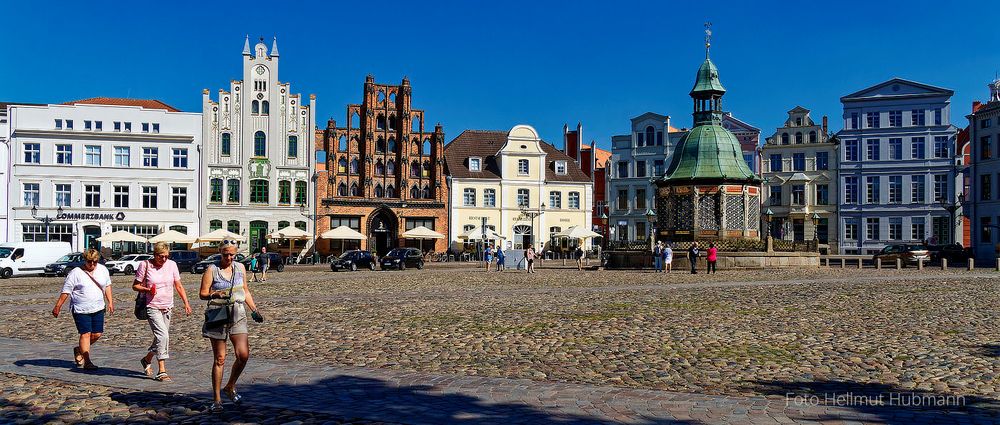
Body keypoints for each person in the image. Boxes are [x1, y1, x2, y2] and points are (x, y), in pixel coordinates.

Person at [200, 241, 264, 413]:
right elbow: (202, 293)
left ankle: (230, 385)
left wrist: (254, 310)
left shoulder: (240, 268)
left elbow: (245, 290)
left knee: (243, 355)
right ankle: (217, 399)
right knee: (220, 358)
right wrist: (215, 293)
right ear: (220, 252)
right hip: (218, 315)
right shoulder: (211, 270)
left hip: (238, 313)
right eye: (225, 254)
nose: (228, 257)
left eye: (231, 255)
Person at [134, 242, 192, 382]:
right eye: (161, 256)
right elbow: (135, 285)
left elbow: (178, 285)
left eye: (166, 256)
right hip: (152, 306)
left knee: (160, 337)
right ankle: (162, 370)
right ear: (155, 255)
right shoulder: (145, 265)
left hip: (167, 306)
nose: (164, 259)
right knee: (163, 336)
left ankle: (147, 359)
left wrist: (186, 302)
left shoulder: (172, 265)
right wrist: (148, 290)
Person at [51, 249, 113, 370]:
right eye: (89, 262)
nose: (92, 264)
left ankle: (79, 349)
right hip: (80, 309)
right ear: (85, 260)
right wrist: (58, 306)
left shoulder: (103, 269)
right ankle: (87, 361)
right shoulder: (75, 273)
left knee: (97, 334)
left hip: (98, 307)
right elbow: (66, 290)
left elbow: (107, 285)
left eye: (95, 262)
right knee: (85, 334)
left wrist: (110, 301)